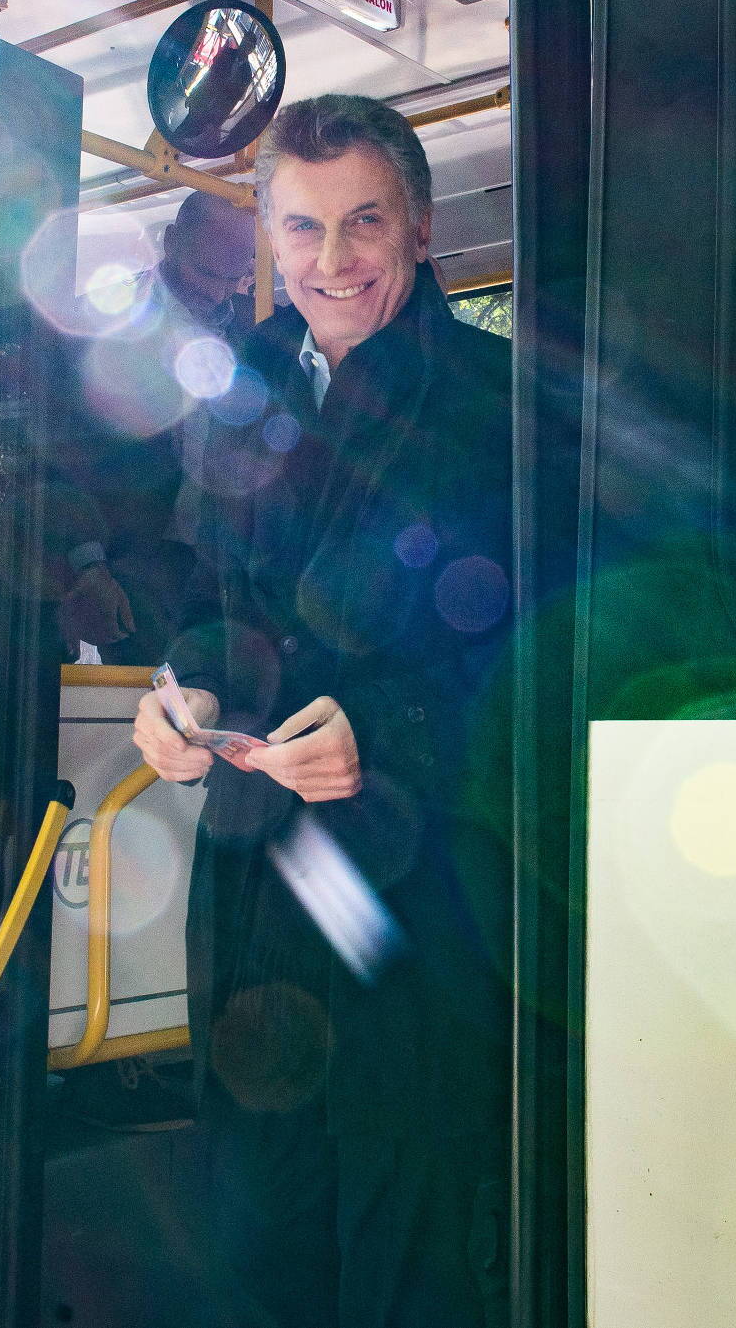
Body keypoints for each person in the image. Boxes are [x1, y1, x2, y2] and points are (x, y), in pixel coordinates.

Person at [132, 95, 513, 1327]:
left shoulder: (493, 398)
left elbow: (552, 649)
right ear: (266, 236)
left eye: (362, 223)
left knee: (407, 1234)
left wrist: (389, 733)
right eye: (300, 229)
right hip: (256, 877)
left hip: (421, 887)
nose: (330, 260)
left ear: (417, 224)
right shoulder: (234, 387)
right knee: (256, 1229)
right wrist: (179, 691)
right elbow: (207, 595)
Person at [56, 189, 256, 661]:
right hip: (139, 563)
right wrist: (89, 564)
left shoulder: (254, 335)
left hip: (230, 564)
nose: (218, 291)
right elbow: (71, 448)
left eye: (235, 277)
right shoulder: (106, 319)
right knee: (152, 714)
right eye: (207, 272)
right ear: (170, 241)